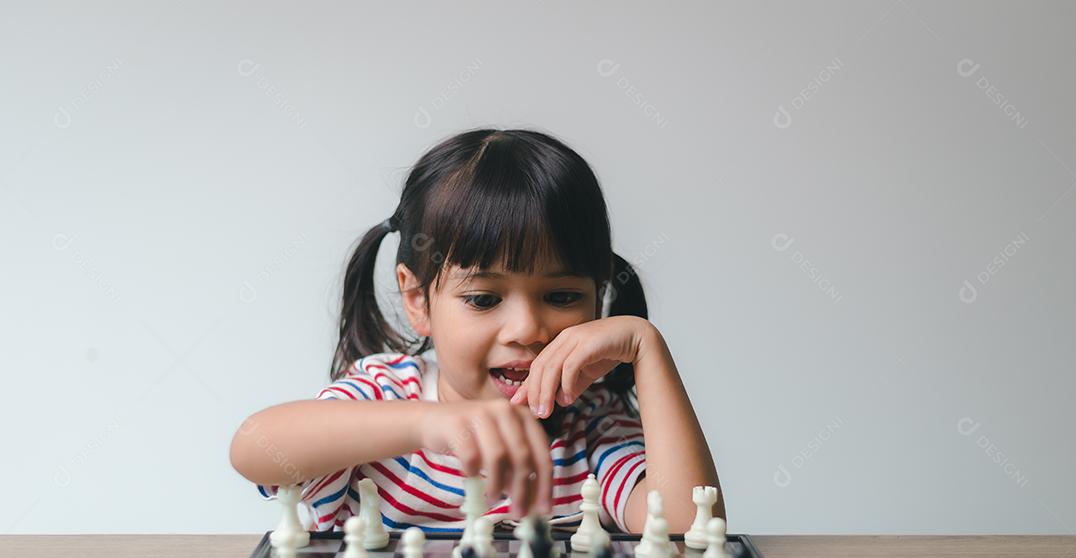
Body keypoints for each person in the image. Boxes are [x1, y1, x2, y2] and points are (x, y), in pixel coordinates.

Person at [229, 128, 724, 534]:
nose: (528, 329)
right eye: (484, 299)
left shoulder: (591, 426)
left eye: (562, 297)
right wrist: (426, 424)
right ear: (418, 300)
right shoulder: (387, 394)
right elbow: (254, 448)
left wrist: (646, 347)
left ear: (598, 301)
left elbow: (685, 532)